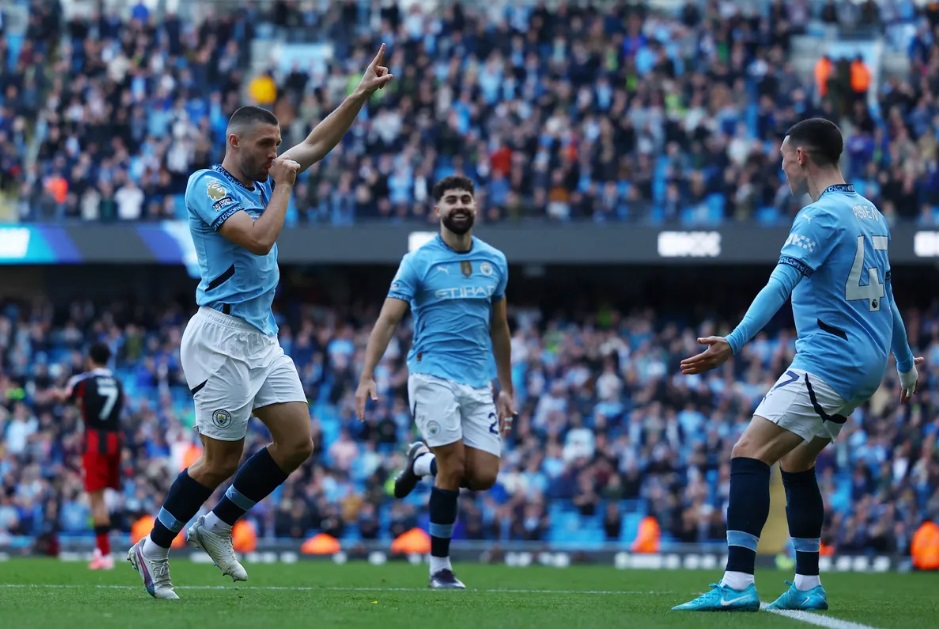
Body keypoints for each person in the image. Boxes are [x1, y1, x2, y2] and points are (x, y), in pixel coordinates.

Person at [127, 45, 393, 600]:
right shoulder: (208, 185)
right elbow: (257, 237)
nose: (277, 154)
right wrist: (287, 185)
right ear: (235, 142)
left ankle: (218, 524)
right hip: (218, 336)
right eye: (267, 145)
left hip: (260, 336)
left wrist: (359, 95)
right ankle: (152, 549)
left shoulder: (265, 177)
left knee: (297, 442)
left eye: (278, 144)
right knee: (219, 459)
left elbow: (318, 141)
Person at [672, 118, 924, 612]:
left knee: (748, 452)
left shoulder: (819, 216)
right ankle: (808, 585)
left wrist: (735, 340)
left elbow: (779, 284)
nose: (781, 164)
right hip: (864, 364)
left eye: (784, 155)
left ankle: (737, 583)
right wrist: (904, 365)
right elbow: (888, 297)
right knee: (796, 460)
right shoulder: (869, 212)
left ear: (801, 157)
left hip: (831, 357)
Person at [354, 175, 516, 589]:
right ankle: (439, 568)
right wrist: (366, 374)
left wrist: (507, 387)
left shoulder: (494, 261)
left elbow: (500, 328)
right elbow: (388, 319)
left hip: (479, 383)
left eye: (466, 198)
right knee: (454, 466)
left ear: (476, 207)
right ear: (437, 210)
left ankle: (418, 462)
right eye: (450, 200)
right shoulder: (419, 261)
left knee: (483, 477)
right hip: (431, 375)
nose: (459, 205)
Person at [53, 342, 125, 570]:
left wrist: (57, 395)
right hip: (115, 440)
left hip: (95, 441)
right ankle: (100, 550)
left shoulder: (83, 381)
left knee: (96, 499)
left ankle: (104, 554)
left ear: (90, 359)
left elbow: (68, 398)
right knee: (104, 496)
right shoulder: (117, 382)